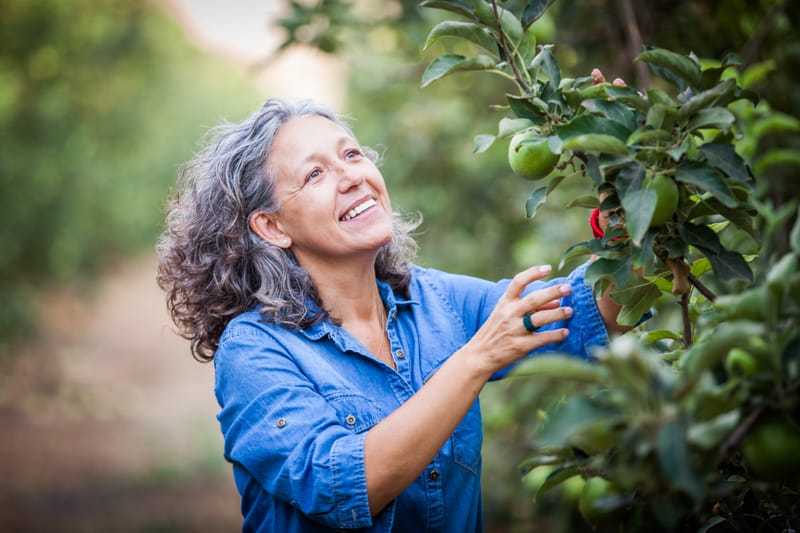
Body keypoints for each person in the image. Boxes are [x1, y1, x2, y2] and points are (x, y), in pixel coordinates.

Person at [157, 98, 631, 532]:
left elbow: (594, 310)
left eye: (352, 155)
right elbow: (338, 486)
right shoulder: (255, 348)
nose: (350, 176)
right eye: (315, 175)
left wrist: (626, 197)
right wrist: (476, 359)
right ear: (273, 226)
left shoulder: (435, 301)